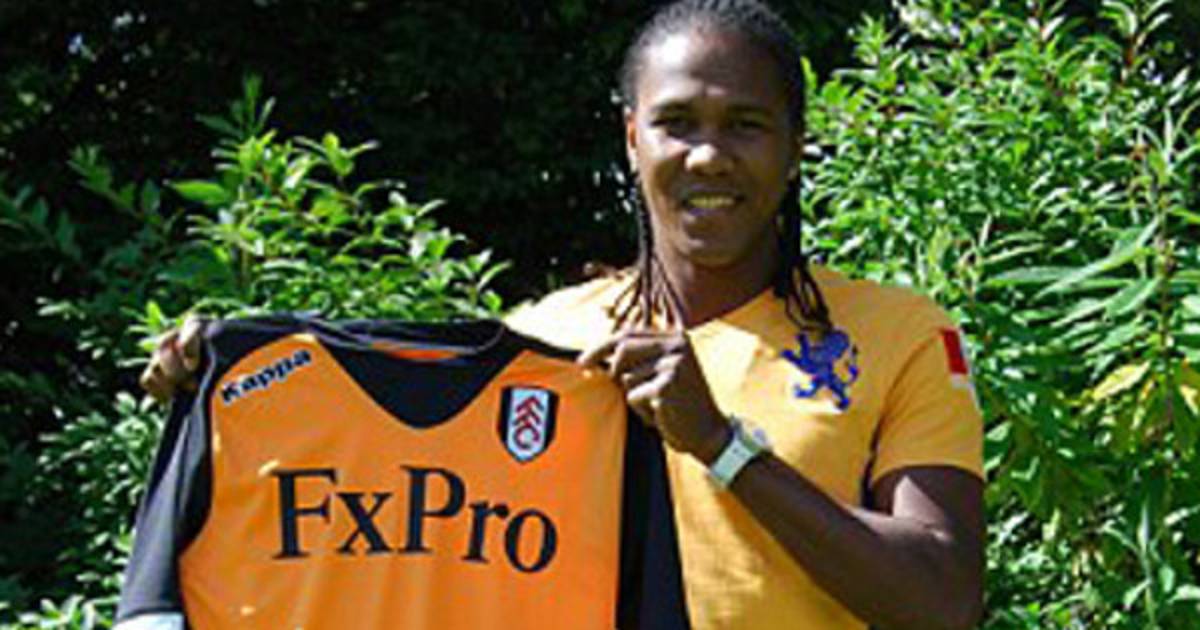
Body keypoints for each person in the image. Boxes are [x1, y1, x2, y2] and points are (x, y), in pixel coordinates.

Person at [140, 1, 984, 628]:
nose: (707, 155)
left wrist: (722, 446)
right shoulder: (539, 341)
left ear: (797, 145)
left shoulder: (898, 334)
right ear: (632, 139)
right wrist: (222, 384)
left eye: (747, 125)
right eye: (676, 123)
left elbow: (942, 600)